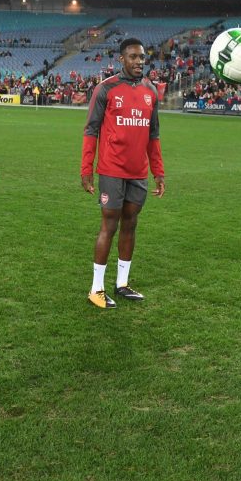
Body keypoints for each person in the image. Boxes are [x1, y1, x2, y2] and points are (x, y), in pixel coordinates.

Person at [81, 37, 165, 308]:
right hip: (111, 170)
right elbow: (91, 129)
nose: (139, 61)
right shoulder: (106, 89)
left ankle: (122, 284)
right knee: (110, 224)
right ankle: (96, 289)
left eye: (142, 57)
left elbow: (153, 135)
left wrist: (158, 172)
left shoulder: (150, 91)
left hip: (138, 172)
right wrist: (86, 169)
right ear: (121, 59)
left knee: (131, 224)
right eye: (133, 57)